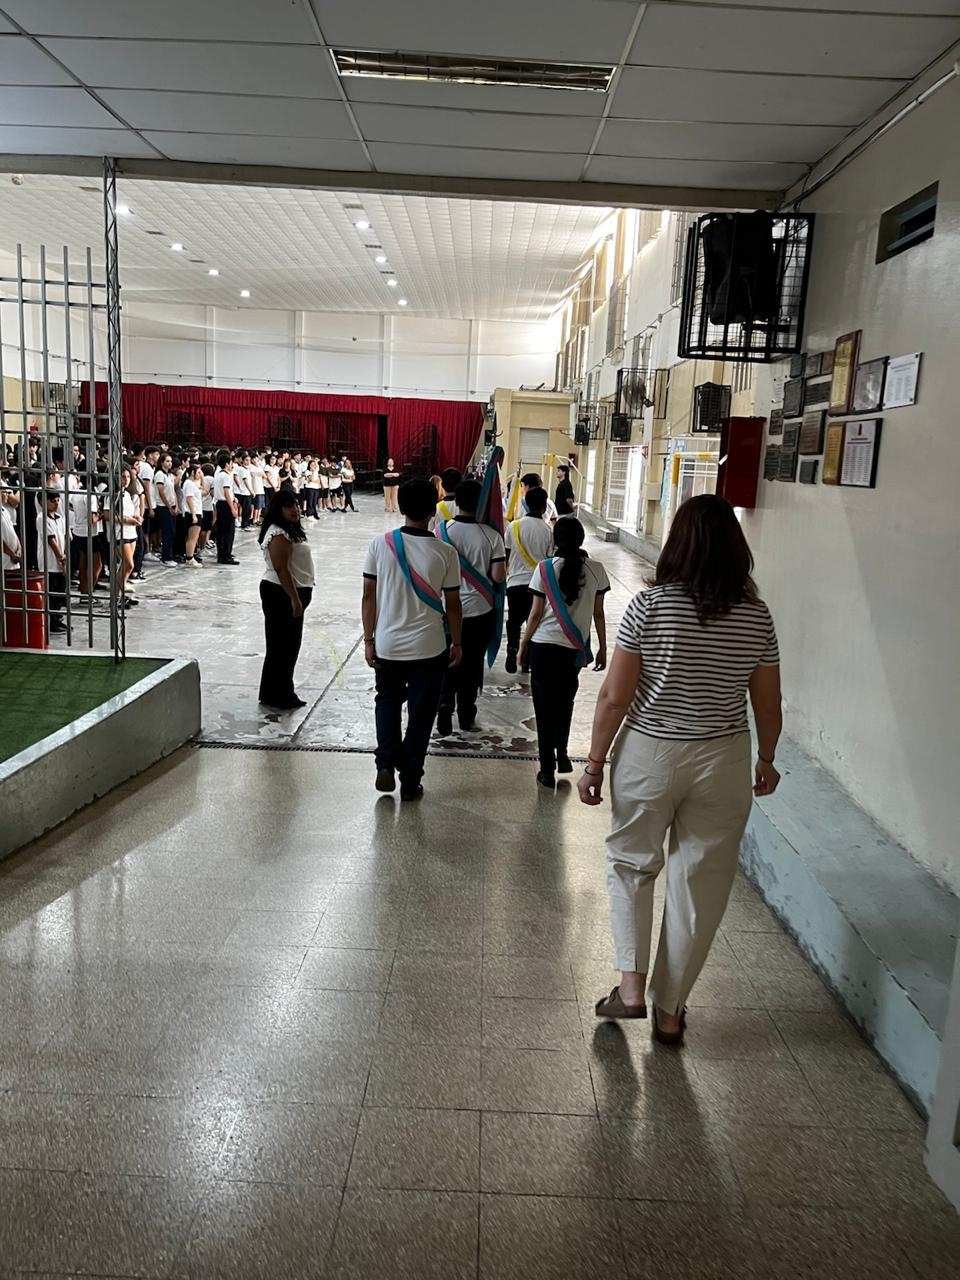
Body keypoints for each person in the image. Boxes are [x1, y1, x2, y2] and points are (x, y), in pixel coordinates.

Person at [579, 495, 782, 1046]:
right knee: (701, 882)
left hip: (650, 753)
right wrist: (766, 758)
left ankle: (630, 990)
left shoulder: (650, 607)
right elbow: (768, 703)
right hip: (724, 758)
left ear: (677, 543)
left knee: (631, 864)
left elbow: (615, 697)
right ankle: (670, 1011)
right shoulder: (756, 615)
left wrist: (594, 763)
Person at [362, 478, 462, 801]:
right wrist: (457, 642)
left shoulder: (380, 545)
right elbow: (453, 604)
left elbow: (368, 596)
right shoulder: (446, 552)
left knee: (387, 701)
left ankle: (385, 763)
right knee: (421, 714)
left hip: (388, 644)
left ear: (402, 507)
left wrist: (368, 640)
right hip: (429, 647)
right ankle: (410, 779)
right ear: (433, 510)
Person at [519, 517, 609, 789]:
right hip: (572, 651)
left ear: (555, 540)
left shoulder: (544, 569)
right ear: (581, 539)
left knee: (543, 708)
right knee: (565, 702)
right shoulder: (596, 570)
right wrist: (603, 648)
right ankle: (563, 753)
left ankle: (547, 769)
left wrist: (523, 645)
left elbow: (535, 614)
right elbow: (598, 614)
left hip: (542, 648)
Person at [435, 478, 506, 735]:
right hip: (479, 609)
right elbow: (498, 576)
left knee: (447, 659)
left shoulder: (440, 531)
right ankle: (466, 714)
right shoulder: (492, 536)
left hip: (445, 609)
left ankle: (444, 705)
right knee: (472, 662)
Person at [258, 490, 314, 711]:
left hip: (291, 591)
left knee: (286, 646)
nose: (295, 510)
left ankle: (275, 691)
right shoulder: (278, 533)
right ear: (278, 509)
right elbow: (281, 569)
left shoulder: (290, 530)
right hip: (281, 593)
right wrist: (295, 599)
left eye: (296, 505)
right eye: (289, 506)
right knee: (283, 646)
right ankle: (280, 694)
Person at [503, 486, 554, 674]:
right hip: (538, 586)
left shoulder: (514, 526)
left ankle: (512, 649)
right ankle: (527, 660)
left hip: (515, 582)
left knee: (514, 620)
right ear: (544, 507)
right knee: (534, 622)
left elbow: (507, 555)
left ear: (526, 504)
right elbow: (549, 560)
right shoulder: (548, 531)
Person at [36, 488, 68, 633]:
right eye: (52, 501)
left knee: (59, 592)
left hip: (60, 561)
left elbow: (64, 537)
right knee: (51, 592)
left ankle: (57, 618)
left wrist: (64, 556)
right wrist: (61, 557)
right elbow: (51, 540)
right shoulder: (42, 518)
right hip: (49, 562)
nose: (56, 504)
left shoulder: (59, 518)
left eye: (57, 500)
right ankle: (51, 622)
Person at [213, 451, 239, 565]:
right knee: (228, 531)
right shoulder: (227, 476)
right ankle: (226, 556)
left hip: (219, 504)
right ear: (227, 463)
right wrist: (232, 508)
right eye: (231, 463)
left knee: (221, 531)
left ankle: (221, 554)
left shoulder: (218, 474)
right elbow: (226, 492)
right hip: (225, 504)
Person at [154, 453, 178, 566]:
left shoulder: (170, 475)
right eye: (167, 461)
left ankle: (170, 555)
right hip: (163, 506)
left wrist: (176, 505)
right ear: (162, 462)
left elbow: (173, 491)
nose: (170, 463)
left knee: (172, 532)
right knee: (167, 532)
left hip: (172, 505)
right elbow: (161, 492)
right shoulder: (160, 474)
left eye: (170, 461)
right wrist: (169, 507)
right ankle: (166, 557)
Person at [181, 464, 204, 567]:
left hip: (195, 512)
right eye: (198, 472)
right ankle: (189, 558)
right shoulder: (189, 484)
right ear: (192, 473)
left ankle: (190, 556)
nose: (200, 474)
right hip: (192, 513)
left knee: (193, 537)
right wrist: (194, 514)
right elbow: (189, 499)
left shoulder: (192, 483)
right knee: (192, 538)